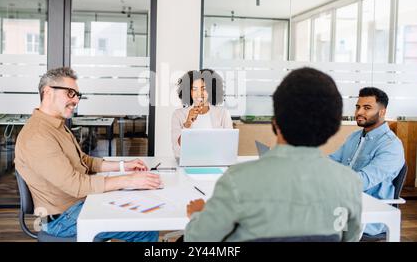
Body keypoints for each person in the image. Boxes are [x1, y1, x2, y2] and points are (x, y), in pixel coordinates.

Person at [184, 67, 363, 242]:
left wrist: (198, 215)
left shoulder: (237, 180)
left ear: (275, 122)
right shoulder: (349, 183)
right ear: (332, 127)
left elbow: (198, 239)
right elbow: (351, 236)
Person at [15, 67, 162, 241]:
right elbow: (75, 185)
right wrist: (128, 179)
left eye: (78, 94)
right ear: (47, 92)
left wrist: (123, 166)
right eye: (70, 93)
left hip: (79, 204)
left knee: (137, 201)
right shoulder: (37, 135)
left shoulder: (57, 126)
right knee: (144, 227)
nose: (76, 100)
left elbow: (84, 161)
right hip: (62, 219)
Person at [329, 87, 405, 237]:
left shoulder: (391, 146)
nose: (359, 112)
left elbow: (361, 181)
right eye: (358, 107)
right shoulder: (354, 137)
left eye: (367, 108)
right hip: (343, 203)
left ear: (382, 112)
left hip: (368, 215)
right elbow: (332, 161)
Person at [171, 69, 233, 158]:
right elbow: (177, 151)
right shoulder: (178, 115)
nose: (199, 94)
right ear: (189, 91)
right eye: (194, 89)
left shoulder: (223, 113)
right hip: (189, 162)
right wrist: (188, 124)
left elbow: (229, 145)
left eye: (203, 89)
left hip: (216, 161)